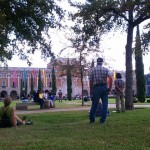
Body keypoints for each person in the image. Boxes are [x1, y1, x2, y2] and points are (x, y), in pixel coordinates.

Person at [89, 57, 112, 124]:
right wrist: (109, 87)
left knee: (94, 104)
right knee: (105, 104)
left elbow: (91, 81)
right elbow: (110, 78)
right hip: (104, 87)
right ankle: (102, 120)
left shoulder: (92, 70)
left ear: (97, 62)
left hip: (96, 88)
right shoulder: (106, 69)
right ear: (102, 62)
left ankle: (92, 120)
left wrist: (91, 90)